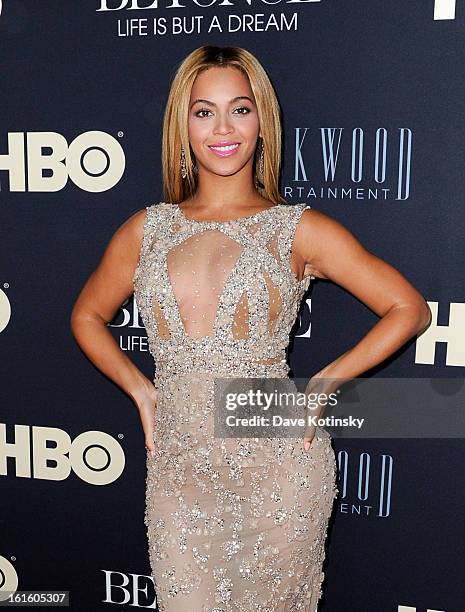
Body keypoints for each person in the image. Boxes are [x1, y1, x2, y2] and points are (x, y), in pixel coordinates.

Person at [70, 45, 431, 611]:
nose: (222, 128)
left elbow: (408, 307)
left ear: (262, 120)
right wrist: (141, 389)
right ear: (181, 124)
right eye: (203, 111)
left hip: (279, 465)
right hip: (179, 467)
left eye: (240, 109)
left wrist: (322, 384)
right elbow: (86, 316)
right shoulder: (146, 230)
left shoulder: (297, 229)